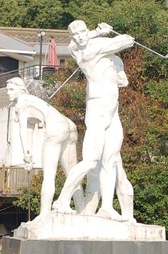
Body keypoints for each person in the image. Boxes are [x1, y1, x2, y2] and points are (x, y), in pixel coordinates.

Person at [52, 20, 135, 221]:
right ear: (73, 37)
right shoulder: (87, 51)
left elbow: (123, 81)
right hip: (97, 110)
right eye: (77, 34)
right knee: (90, 161)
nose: (81, 36)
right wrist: (104, 34)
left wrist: (98, 33)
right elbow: (123, 41)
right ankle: (62, 200)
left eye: (83, 32)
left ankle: (106, 206)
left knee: (110, 160)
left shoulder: (101, 52)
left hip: (112, 111)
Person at [5, 77, 84, 217]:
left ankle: (44, 214)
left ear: (21, 89)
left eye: (11, 89)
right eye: (7, 90)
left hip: (55, 128)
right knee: (72, 174)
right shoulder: (32, 100)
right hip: (69, 125)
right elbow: (29, 129)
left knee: (49, 175)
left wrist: (27, 156)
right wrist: (27, 154)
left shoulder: (22, 102)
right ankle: (82, 211)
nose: (8, 93)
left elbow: (23, 130)